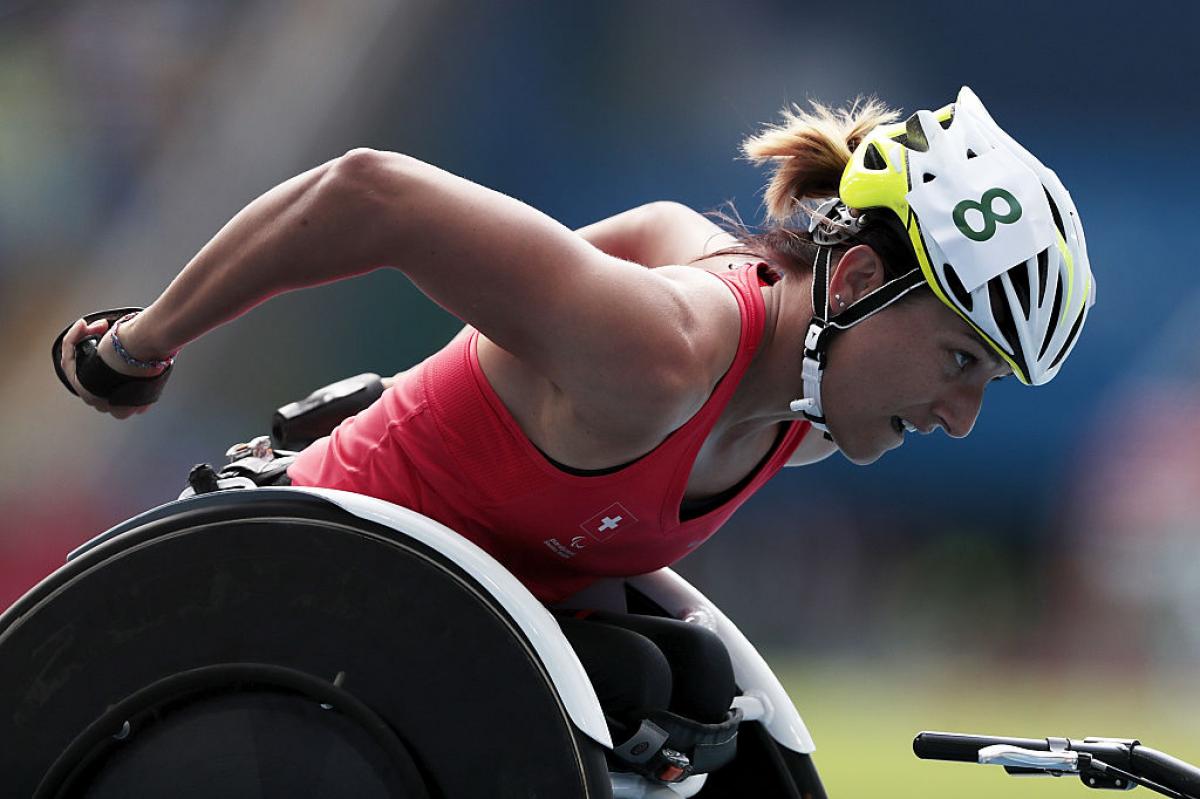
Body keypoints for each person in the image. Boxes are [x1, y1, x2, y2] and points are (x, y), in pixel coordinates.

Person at [55, 86, 1094, 762]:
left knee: (685, 692)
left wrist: (502, 351)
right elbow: (368, 191)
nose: (960, 418)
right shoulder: (656, 354)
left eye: (988, 385)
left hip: (423, 642)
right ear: (857, 279)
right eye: (962, 361)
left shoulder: (806, 406)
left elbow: (654, 229)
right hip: (272, 622)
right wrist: (135, 345)